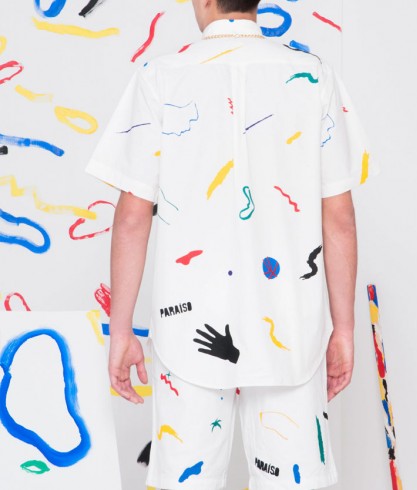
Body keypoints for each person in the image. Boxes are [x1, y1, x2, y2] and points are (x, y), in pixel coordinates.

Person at [85, 0, 378, 487]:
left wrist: (120, 332)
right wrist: (342, 328)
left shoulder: (160, 78)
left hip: (188, 337)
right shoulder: (315, 77)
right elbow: (340, 216)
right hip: (291, 333)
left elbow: (133, 217)